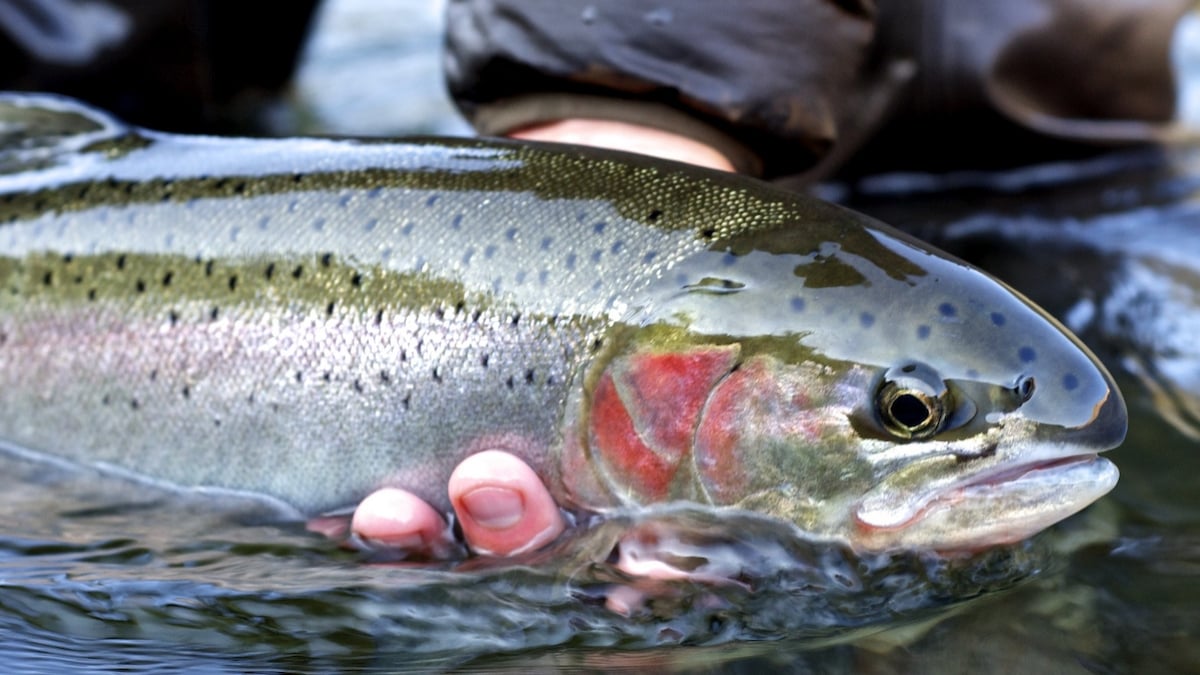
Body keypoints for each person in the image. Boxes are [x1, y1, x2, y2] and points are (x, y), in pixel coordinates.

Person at [0, 0, 1191, 562]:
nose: (922, 423)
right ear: (664, 385)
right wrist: (634, 102)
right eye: (911, 414)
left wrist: (636, 106)